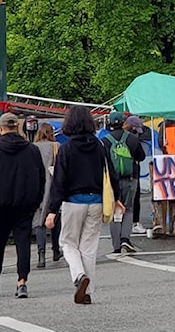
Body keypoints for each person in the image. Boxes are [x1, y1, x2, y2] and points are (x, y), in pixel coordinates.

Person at [47, 106, 124, 305]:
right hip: (97, 201)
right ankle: (87, 292)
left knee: (68, 243)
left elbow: (59, 182)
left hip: (73, 202)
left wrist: (51, 210)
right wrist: (117, 199)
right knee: (89, 248)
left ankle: (79, 275)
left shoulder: (66, 149)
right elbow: (111, 174)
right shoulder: (100, 146)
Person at [0, 112, 46, 299]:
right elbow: (41, 178)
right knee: (23, 242)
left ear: (0, 129)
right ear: (17, 127)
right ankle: (22, 281)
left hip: (1, 204)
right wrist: (36, 200)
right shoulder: (32, 150)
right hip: (25, 204)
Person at [102, 111, 145, 255]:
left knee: (115, 210)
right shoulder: (132, 138)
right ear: (123, 122)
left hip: (112, 180)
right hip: (131, 178)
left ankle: (116, 245)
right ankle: (126, 238)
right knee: (129, 209)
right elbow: (141, 156)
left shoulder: (105, 141)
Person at [31, 123, 62, 269]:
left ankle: (41, 254)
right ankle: (56, 249)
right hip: (54, 187)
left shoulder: (33, 147)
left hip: (37, 187)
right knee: (54, 217)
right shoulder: (57, 146)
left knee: (39, 221)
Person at [125, 115, 149, 235]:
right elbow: (142, 156)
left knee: (121, 199)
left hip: (117, 174)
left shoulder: (112, 138)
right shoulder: (133, 139)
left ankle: (121, 224)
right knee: (135, 198)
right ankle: (134, 223)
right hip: (133, 172)